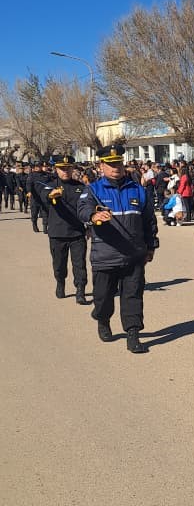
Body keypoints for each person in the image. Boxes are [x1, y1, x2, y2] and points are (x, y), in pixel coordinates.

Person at [77, 144, 157, 353]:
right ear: (101, 166)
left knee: (133, 296)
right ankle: (102, 319)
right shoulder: (93, 190)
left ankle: (133, 334)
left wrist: (151, 246)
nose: (115, 168)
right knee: (103, 297)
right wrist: (94, 215)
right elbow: (82, 210)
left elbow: (149, 221)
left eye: (118, 163)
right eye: (111, 164)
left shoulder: (137, 190)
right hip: (105, 255)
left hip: (134, 255)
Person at [33, 154, 88, 303]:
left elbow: (86, 207)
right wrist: (52, 195)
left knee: (79, 264)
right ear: (56, 169)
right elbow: (44, 195)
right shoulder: (50, 185)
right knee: (59, 265)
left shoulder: (80, 187)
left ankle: (80, 290)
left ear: (72, 169)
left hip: (77, 233)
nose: (65, 171)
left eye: (68, 168)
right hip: (57, 233)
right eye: (62, 169)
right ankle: (60, 282)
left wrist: (89, 226)